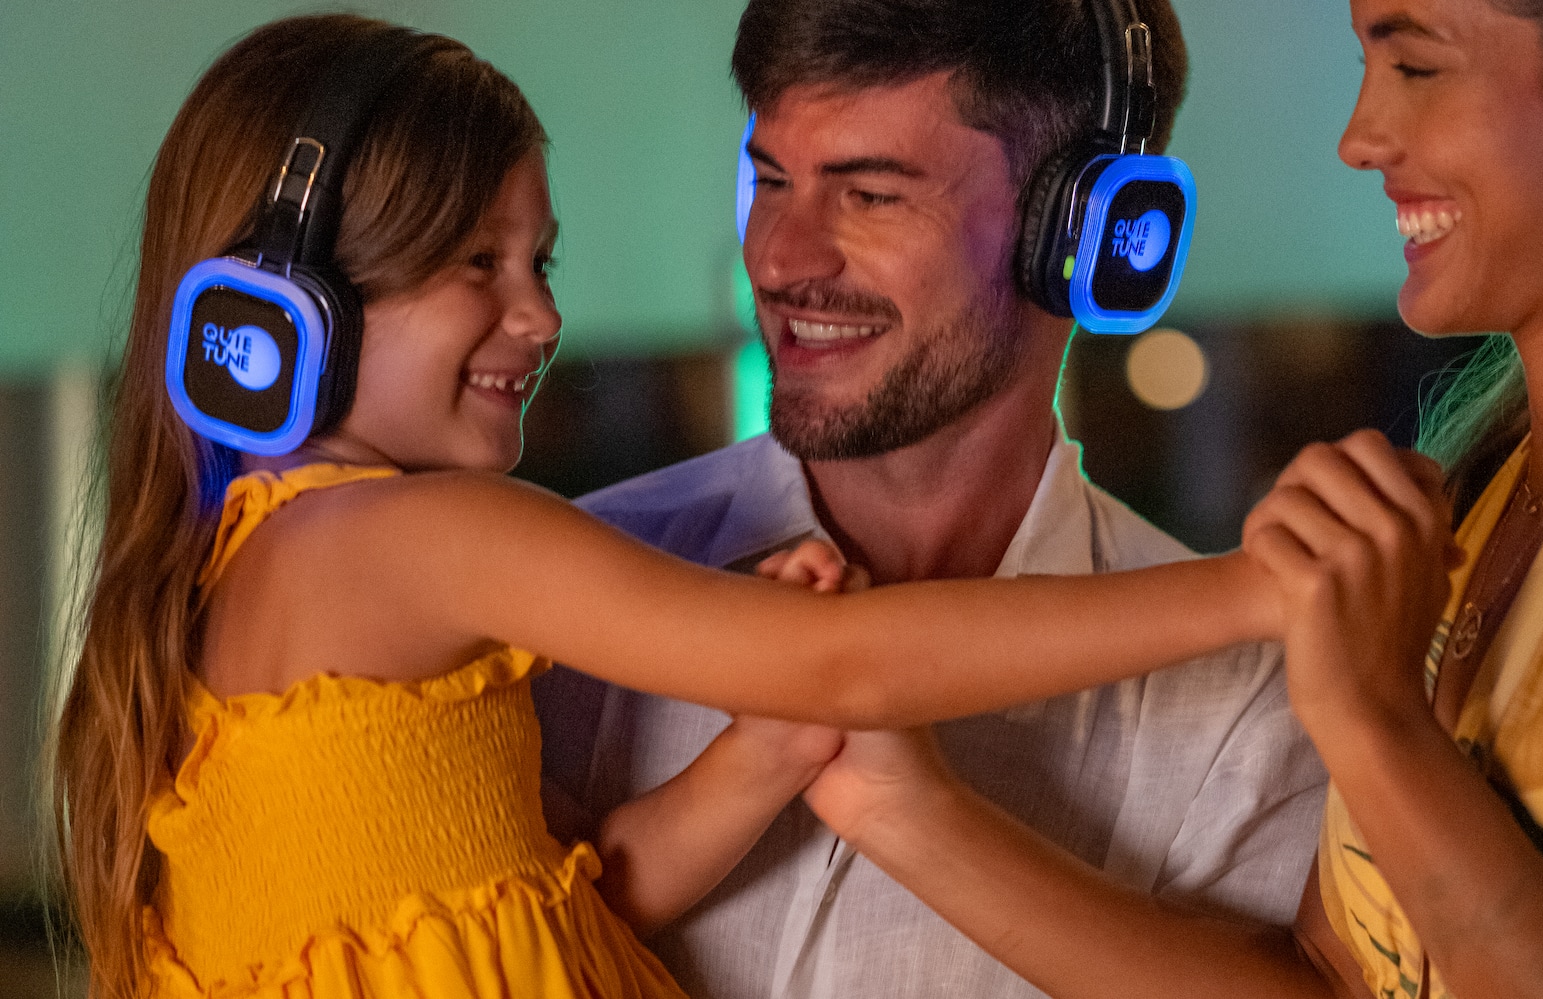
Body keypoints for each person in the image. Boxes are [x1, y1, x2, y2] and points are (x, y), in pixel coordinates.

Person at [44, 15, 1296, 999]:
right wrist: (1253, 588)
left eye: (866, 192)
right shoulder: (426, 544)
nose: (538, 319)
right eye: (474, 263)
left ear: (1083, 235)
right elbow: (848, 664)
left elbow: (581, 895)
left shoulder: (328, 598)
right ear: (273, 316)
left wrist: (758, 755)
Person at [798, 0, 1543, 997]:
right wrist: (908, 814)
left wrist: (1368, 720)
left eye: (1414, 66)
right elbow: (1336, 982)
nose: (1360, 137)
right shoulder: (1478, 503)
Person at [534, 1, 1327, 996]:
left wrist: (910, 811)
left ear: (1084, 231)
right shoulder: (559, 619)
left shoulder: (1244, 705)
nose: (780, 259)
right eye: (768, 180)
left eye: (868, 196)